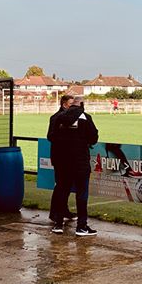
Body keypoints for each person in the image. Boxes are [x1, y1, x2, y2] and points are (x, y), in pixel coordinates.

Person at [48, 94, 99, 236]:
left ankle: (58, 224)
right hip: (80, 162)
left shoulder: (58, 118)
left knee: (62, 191)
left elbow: (52, 137)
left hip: (63, 162)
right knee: (82, 194)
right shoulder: (85, 118)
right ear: (81, 105)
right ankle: (81, 226)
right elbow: (94, 138)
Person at [47, 94, 77, 223]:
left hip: (66, 157)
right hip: (61, 157)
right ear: (64, 104)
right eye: (71, 104)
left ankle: (63, 210)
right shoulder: (56, 118)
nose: (73, 107)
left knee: (65, 185)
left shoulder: (65, 118)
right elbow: (50, 136)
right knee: (61, 185)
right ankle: (55, 213)